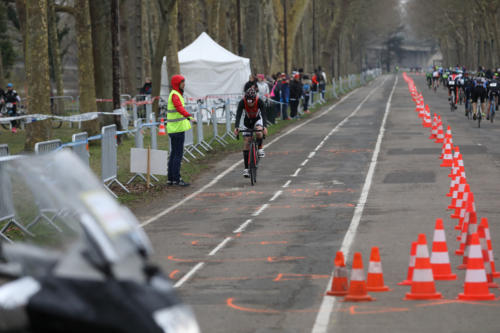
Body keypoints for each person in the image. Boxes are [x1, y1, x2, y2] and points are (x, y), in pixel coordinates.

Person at [166, 75, 194, 186]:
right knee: (177, 154)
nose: (184, 84)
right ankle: (176, 179)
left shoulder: (175, 94)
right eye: (182, 82)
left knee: (173, 154)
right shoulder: (175, 95)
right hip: (177, 129)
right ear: (177, 84)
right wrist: (189, 116)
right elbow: (179, 108)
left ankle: (171, 179)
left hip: (174, 129)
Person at [234, 88, 268, 178]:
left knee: (258, 132)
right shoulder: (242, 102)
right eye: (248, 101)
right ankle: (246, 168)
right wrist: (236, 127)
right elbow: (238, 114)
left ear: (254, 99)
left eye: (251, 102)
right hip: (247, 121)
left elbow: (264, 114)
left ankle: (260, 148)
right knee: (246, 142)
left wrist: (264, 127)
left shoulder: (259, 101)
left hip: (257, 119)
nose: (249, 104)